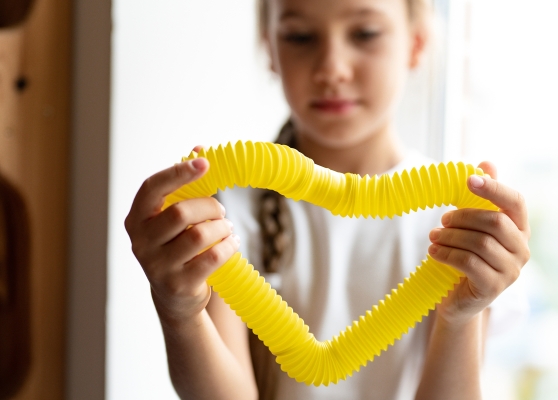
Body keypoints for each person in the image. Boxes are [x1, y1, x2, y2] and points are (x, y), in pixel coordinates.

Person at [124, 0, 531, 398]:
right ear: (270, 48)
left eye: (365, 33)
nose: (331, 69)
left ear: (417, 42)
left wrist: (459, 317)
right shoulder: (222, 214)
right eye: (300, 36)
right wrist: (179, 311)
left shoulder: (459, 220)